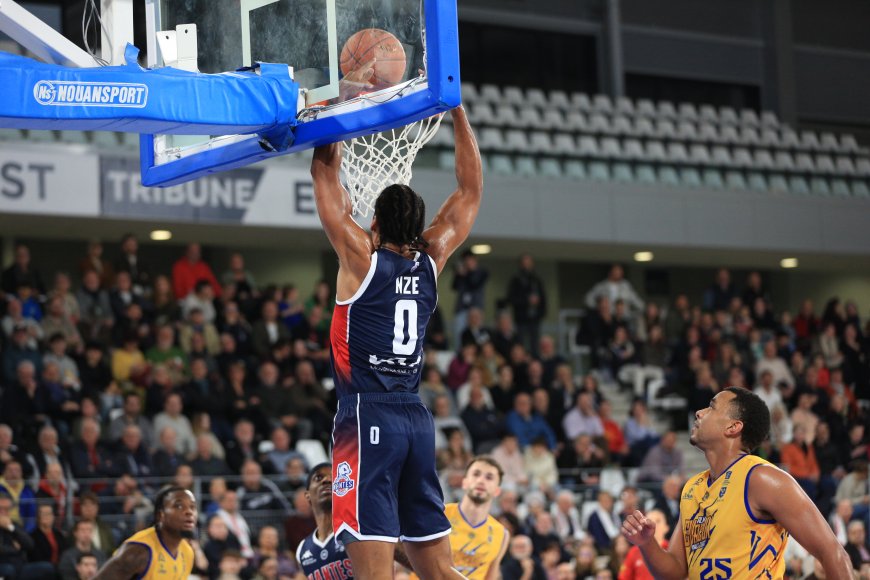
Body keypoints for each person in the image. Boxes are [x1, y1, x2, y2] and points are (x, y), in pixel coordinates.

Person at [311, 103, 482, 580]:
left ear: (375, 225)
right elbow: (470, 191)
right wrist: (459, 113)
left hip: (367, 417)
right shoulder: (434, 258)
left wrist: (334, 116)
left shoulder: (360, 261)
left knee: (373, 573)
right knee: (440, 572)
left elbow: (326, 183)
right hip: (416, 419)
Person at [621, 387, 853, 579]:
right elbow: (676, 571)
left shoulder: (762, 478)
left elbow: (832, 553)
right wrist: (646, 543)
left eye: (711, 407)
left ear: (733, 427)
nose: (699, 413)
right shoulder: (692, 488)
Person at [425, 456, 509, 580]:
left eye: (489, 477)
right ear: (464, 482)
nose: (481, 480)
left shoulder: (502, 534)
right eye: (476, 474)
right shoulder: (440, 514)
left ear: (497, 491)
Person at [94, 486, 197, 579]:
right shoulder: (138, 552)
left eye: (192, 507)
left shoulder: (187, 552)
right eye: (178, 506)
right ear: (161, 515)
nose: (189, 512)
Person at [295, 463, 353, 580]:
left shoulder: (356, 529)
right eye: (319, 478)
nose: (327, 480)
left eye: (334, 477)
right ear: (308, 496)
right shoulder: (302, 550)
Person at [618, 509, 668, 580]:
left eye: (658, 521)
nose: (654, 524)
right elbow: (623, 578)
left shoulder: (673, 549)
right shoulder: (634, 551)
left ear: (666, 527)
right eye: (649, 521)